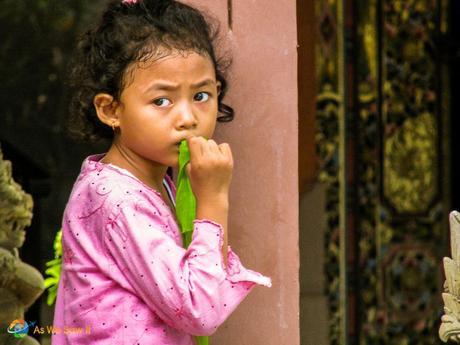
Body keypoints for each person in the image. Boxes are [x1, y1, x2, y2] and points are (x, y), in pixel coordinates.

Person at [52, 0, 271, 344]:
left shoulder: (150, 184)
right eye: (162, 101)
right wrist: (213, 200)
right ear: (111, 110)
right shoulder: (118, 200)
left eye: (201, 95)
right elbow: (199, 311)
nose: (188, 118)